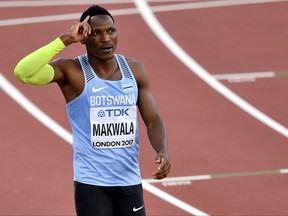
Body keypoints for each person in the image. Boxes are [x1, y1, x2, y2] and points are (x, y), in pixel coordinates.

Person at [14, 5, 171, 216]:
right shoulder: (72, 72)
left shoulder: (134, 70)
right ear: (84, 37)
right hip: (91, 185)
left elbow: (153, 120)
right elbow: (23, 73)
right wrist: (65, 40)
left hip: (129, 181)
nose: (106, 39)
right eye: (96, 33)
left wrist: (162, 151)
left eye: (111, 31)